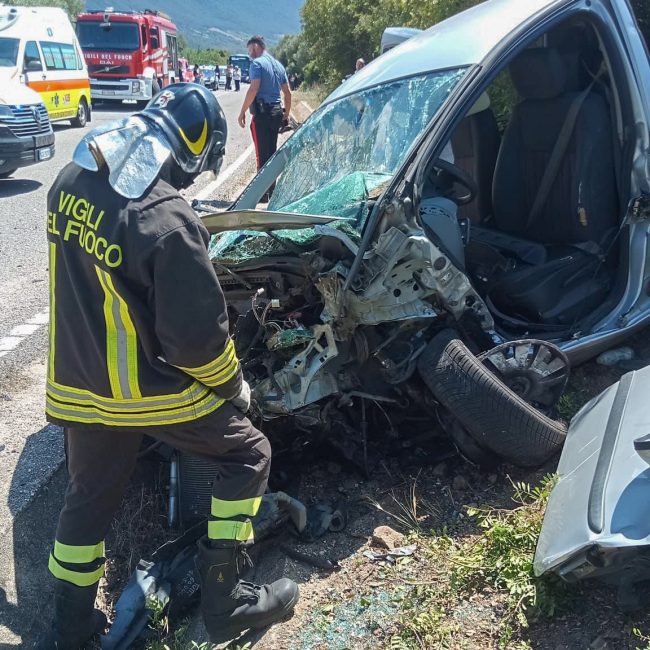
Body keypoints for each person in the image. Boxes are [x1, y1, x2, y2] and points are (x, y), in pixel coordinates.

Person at [39, 83, 299, 649]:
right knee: (249, 453)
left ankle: (69, 630)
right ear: (193, 149)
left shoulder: (72, 181)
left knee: (88, 499)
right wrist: (236, 388)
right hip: (144, 390)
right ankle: (227, 602)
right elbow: (196, 345)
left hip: (79, 385)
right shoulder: (167, 220)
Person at [238, 35, 291, 175]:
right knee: (271, 154)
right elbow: (288, 93)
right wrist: (286, 114)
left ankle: (261, 195)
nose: (250, 54)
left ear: (255, 47)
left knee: (261, 157)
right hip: (276, 113)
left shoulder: (257, 64)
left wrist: (242, 111)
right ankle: (271, 190)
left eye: (249, 50)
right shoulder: (278, 66)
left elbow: (253, 89)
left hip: (262, 115)